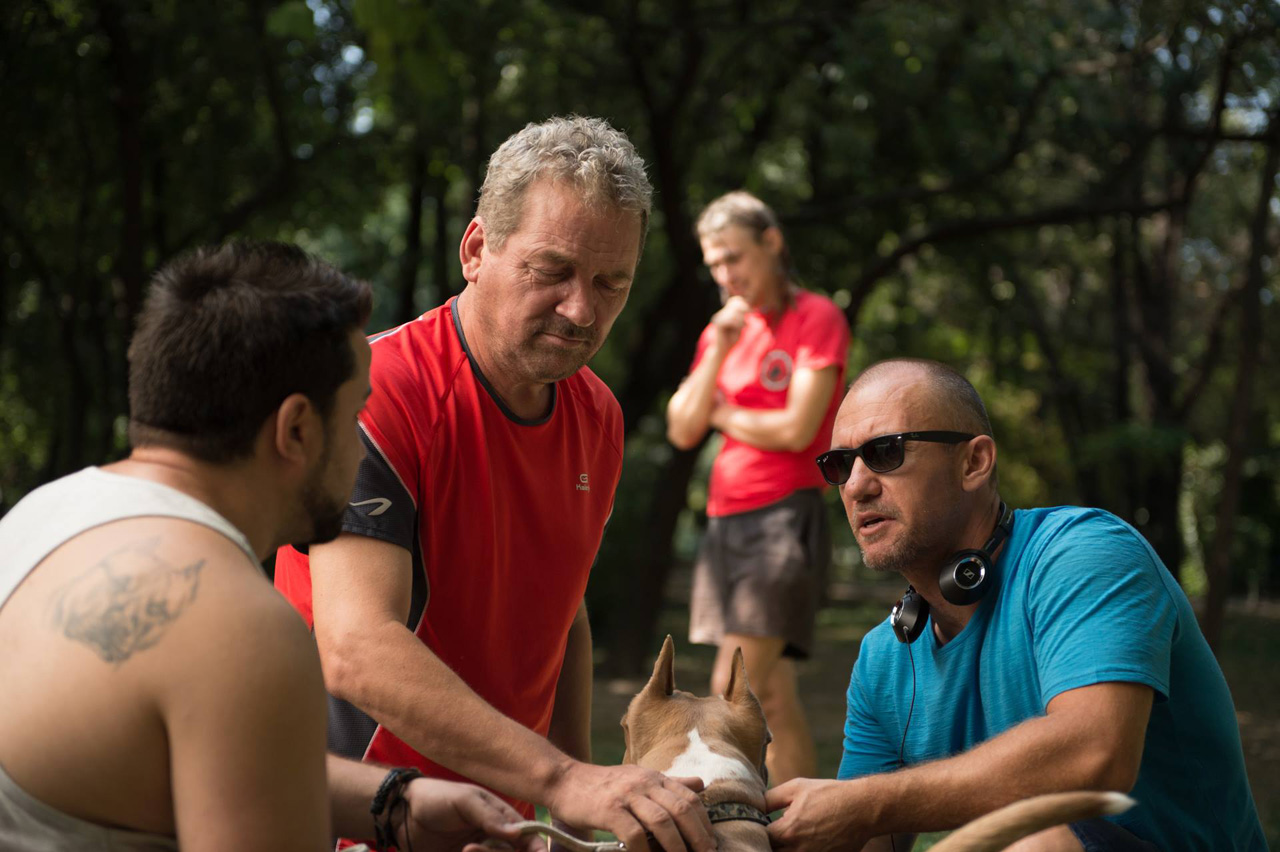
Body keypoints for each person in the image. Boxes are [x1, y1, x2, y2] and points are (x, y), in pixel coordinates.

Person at [0, 241, 538, 852]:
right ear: (297, 430)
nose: (361, 449)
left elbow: (142, 770)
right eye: (356, 416)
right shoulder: (238, 626)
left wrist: (392, 803)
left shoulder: (43, 516)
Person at [273, 116, 716, 852]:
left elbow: (563, 615)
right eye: (552, 271)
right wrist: (563, 779)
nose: (582, 309)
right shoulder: (377, 391)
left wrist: (575, 811)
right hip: (350, 820)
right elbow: (355, 647)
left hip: (496, 827)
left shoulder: (598, 415)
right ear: (477, 250)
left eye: (612, 283)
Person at [765, 358, 1267, 852]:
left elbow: (1096, 753)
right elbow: (860, 836)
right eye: (840, 465)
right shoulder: (882, 660)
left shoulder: (1084, 554)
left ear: (974, 463)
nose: (856, 486)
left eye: (885, 452)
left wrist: (870, 804)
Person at [665, 190, 850, 784]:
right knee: (772, 697)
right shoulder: (723, 331)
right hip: (726, 520)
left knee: (729, 688)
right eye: (714, 263)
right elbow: (681, 427)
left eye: (734, 257)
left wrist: (722, 414)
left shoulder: (815, 317)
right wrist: (718, 346)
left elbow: (798, 429)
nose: (725, 274)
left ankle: (722, 820)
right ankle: (801, 823)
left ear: (772, 242)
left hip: (782, 518)